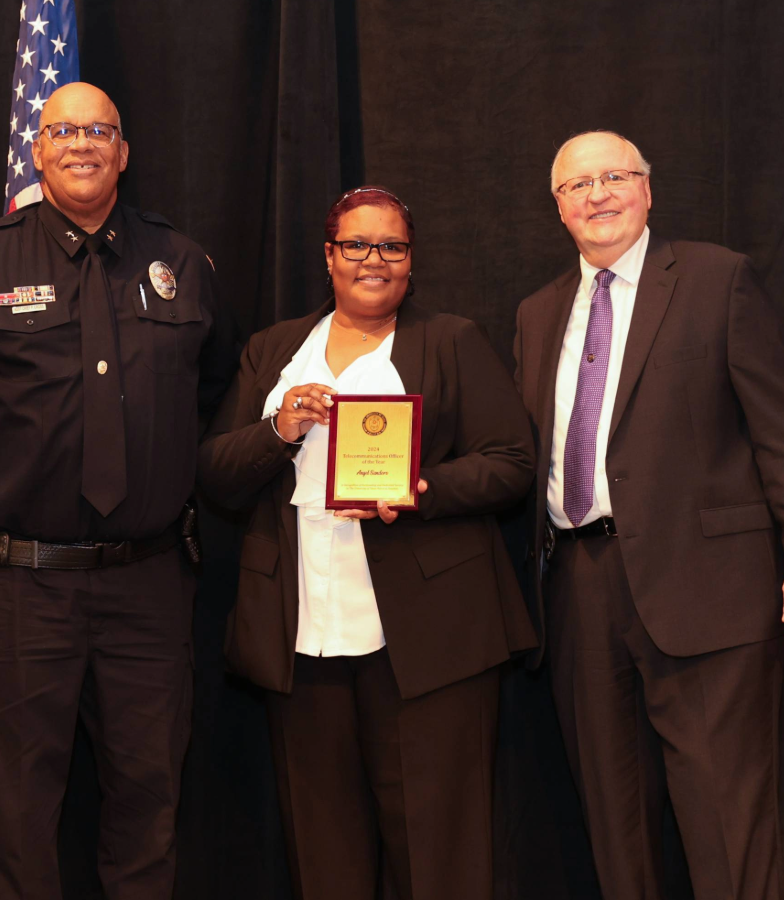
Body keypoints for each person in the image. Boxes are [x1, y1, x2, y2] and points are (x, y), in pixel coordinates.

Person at [0, 82, 233, 899]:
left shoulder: (181, 261)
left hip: (148, 582)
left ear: (125, 152)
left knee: (150, 802)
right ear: (36, 150)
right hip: (18, 586)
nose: (82, 144)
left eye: (100, 130)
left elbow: (217, 391)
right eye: (63, 129)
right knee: (15, 812)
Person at [513, 130, 784, 899]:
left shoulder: (716, 279)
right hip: (579, 587)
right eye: (577, 186)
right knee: (612, 819)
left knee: (727, 813)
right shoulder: (536, 313)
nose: (598, 195)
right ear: (557, 208)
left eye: (615, 177)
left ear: (648, 189)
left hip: (709, 586)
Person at [198, 186, 536, 900]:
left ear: (412, 262)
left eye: (392, 247)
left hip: (427, 644)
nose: (373, 260)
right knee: (326, 861)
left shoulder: (451, 340)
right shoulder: (274, 350)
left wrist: (424, 492)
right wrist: (277, 431)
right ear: (329, 256)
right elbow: (217, 475)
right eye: (356, 245)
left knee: (438, 857)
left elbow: (513, 461)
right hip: (304, 640)